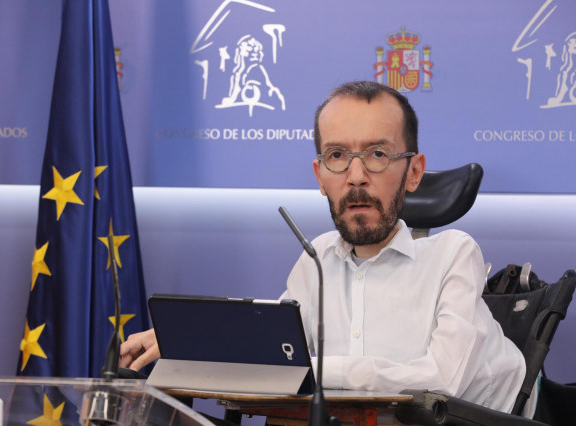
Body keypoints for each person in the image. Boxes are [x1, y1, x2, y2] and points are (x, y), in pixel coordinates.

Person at [120, 80, 525, 414]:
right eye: (337, 156)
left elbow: (440, 383)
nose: (356, 176)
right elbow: (275, 347)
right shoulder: (317, 257)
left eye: (378, 154)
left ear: (414, 171)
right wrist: (194, 343)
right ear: (319, 174)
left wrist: (312, 368)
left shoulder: (454, 254)